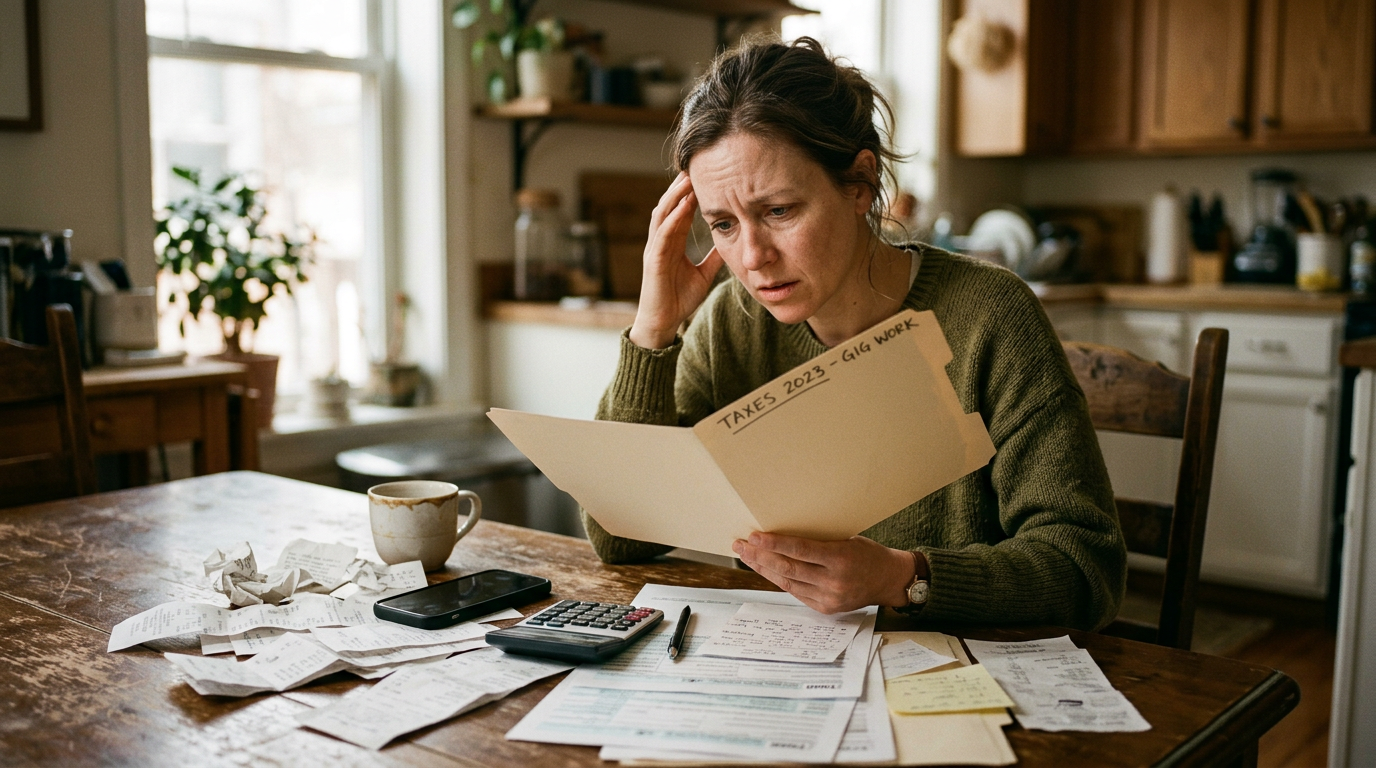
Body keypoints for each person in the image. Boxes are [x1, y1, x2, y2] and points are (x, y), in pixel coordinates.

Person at [584, 36, 1125, 632]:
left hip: (959, 676)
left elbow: (1085, 569)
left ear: (860, 182)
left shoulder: (990, 316)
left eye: (779, 211)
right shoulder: (728, 325)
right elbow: (620, 539)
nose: (754, 257)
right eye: (723, 224)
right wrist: (654, 332)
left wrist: (904, 579)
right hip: (787, 674)